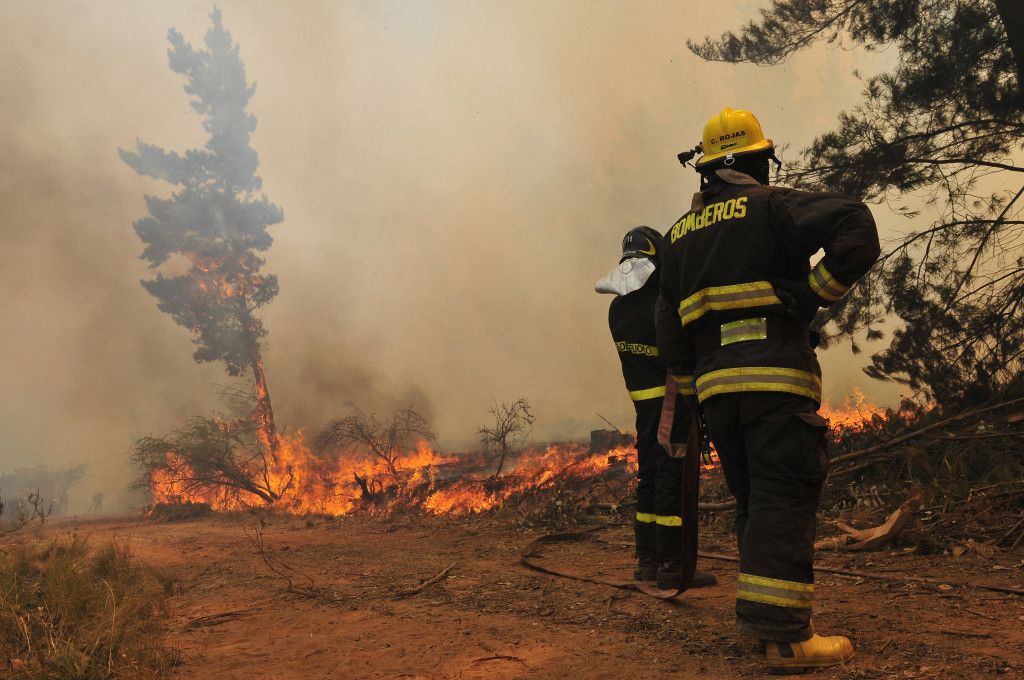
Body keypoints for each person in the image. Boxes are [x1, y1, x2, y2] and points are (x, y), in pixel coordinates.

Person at [656, 108, 880, 673]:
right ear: (756, 161)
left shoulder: (678, 237)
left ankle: (765, 625)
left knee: (756, 501)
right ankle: (785, 639)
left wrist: (693, 393)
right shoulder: (772, 205)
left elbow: (668, 325)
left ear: (706, 170)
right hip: (775, 381)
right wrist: (812, 294)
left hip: (717, 395)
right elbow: (857, 227)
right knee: (784, 496)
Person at [596, 226, 715, 590]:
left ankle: (646, 562)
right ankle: (674, 566)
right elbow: (682, 350)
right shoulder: (664, 306)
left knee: (648, 480)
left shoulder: (617, 310)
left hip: (644, 410)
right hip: (672, 405)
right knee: (672, 483)